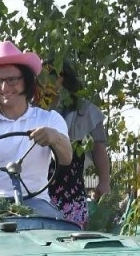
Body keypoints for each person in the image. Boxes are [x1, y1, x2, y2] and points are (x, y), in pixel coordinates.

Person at [0, 41, 73, 218]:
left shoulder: (49, 119)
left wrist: (54, 137)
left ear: (26, 80)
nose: (4, 88)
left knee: (53, 235)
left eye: (11, 80)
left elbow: (66, 159)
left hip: (37, 204)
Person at [44, 59, 112, 227]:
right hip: (37, 190)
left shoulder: (84, 110)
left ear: (64, 77)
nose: (48, 80)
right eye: (45, 75)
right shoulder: (31, 107)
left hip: (70, 191)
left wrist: (104, 182)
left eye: (54, 74)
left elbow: (98, 147)